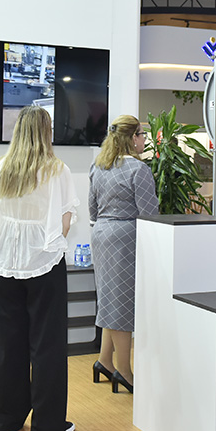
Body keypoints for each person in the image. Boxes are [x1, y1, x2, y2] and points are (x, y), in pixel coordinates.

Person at [0, 106, 78, 431]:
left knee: (8, 344)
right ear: (46, 132)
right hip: (45, 265)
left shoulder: (1, 167)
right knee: (47, 346)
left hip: (6, 266)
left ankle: (5, 419)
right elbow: (64, 222)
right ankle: (46, 426)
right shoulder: (57, 170)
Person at [88, 114, 158, 395]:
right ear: (132, 138)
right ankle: (124, 371)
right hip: (126, 238)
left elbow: (92, 210)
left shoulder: (99, 165)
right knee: (122, 305)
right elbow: (150, 213)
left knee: (110, 300)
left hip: (101, 234)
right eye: (142, 134)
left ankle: (104, 361)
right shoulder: (138, 169)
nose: (144, 140)